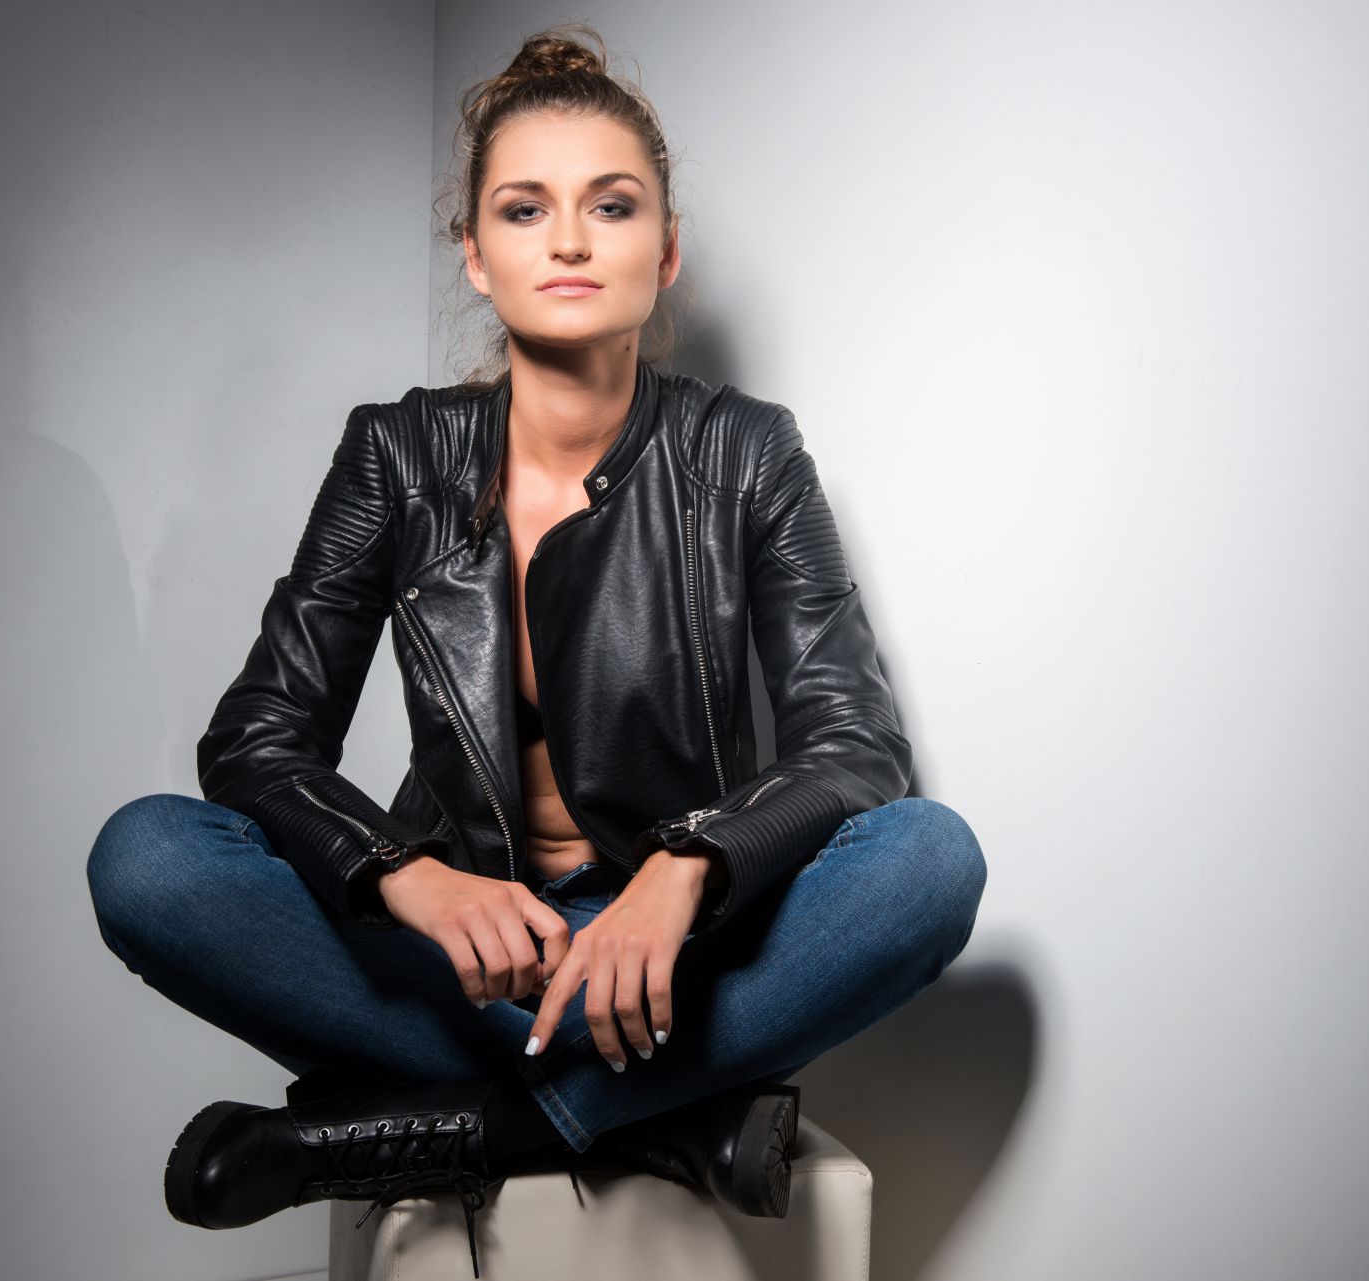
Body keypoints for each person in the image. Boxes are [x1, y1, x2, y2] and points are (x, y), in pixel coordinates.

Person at [86, 24, 986, 1277]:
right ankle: (672, 1114)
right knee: (146, 859)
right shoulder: (396, 453)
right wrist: (407, 877)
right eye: (525, 209)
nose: (569, 240)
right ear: (476, 251)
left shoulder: (747, 451)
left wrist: (685, 871)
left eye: (610, 206)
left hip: (672, 958)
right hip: (464, 952)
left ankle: (428, 1130)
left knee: (930, 860)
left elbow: (855, 744)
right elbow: (258, 739)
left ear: (665, 250)